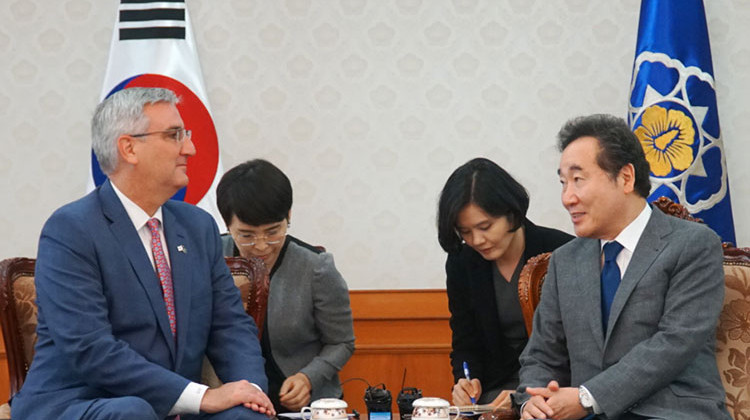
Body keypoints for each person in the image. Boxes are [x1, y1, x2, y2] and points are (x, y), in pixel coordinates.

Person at [12, 88, 274, 420]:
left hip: (174, 406)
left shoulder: (198, 227)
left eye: (185, 135)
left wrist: (251, 392)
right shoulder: (71, 230)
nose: (190, 149)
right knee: (132, 413)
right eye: (174, 135)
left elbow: (230, 328)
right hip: (81, 403)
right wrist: (201, 396)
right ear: (129, 148)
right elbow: (91, 350)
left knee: (245, 417)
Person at [515, 114, 730, 419]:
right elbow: (541, 355)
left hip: (672, 413)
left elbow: (675, 343)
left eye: (578, 180)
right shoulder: (564, 261)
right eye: (563, 183)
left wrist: (587, 398)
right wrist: (531, 401)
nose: (567, 197)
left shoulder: (693, 245)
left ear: (626, 178)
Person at [216, 159, 355, 413]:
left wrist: (308, 378)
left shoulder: (316, 267)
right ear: (227, 225)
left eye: (273, 231)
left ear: (288, 216)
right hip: (231, 402)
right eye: (246, 235)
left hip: (304, 403)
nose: (261, 245)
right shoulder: (211, 258)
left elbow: (342, 342)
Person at [436, 158, 573, 408]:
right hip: (492, 396)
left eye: (485, 226)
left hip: (554, 390)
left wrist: (522, 395)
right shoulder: (462, 262)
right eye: (464, 232)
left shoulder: (561, 251)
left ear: (511, 213)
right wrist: (466, 382)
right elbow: (466, 343)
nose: (477, 240)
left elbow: (575, 348)